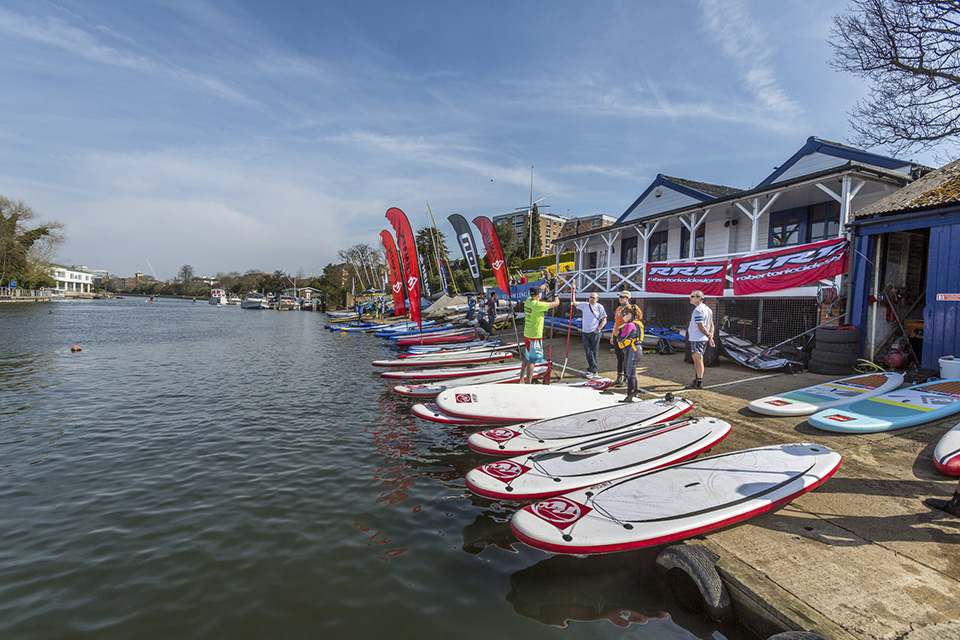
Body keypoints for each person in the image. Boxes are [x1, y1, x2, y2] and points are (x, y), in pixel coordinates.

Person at [521, 284, 560, 383]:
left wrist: (544, 286)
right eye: (540, 293)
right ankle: (529, 383)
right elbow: (556, 303)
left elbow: (536, 295)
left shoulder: (528, 301)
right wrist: (556, 295)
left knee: (527, 357)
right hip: (535, 335)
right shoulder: (538, 306)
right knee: (532, 361)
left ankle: (521, 379)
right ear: (538, 295)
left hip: (527, 333)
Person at [572, 291, 607, 378]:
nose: (591, 299)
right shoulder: (584, 305)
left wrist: (598, 328)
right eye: (590, 297)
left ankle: (592, 370)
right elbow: (574, 302)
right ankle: (593, 370)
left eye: (593, 298)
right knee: (588, 351)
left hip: (594, 332)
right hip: (585, 332)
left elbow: (604, 319)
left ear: (597, 299)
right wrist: (573, 291)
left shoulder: (600, 307)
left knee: (594, 352)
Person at [686, 290, 715, 389]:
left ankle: (698, 382)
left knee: (698, 360)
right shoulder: (708, 309)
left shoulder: (698, 310)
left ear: (699, 298)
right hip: (700, 338)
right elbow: (711, 325)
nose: (690, 298)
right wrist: (710, 337)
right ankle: (697, 379)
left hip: (697, 338)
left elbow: (701, 326)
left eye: (693, 296)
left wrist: (709, 335)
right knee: (698, 360)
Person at [615, 304, 644, 402]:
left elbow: (620, 338)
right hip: (636, 350)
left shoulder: (630, 325)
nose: (622, 318)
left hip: (633, 351)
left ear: (629, 315)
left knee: (630, 374)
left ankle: (630, 396)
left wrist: (619, 329)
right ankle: (635, 393)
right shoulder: (637, 323)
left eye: (624, 315)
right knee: (632, 374)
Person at [609, 290, 633, 387]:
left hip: (624, 336)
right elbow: (616, 322)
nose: (620, 298)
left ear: (627, 298)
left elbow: (630, 323)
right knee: (619, 358)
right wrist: (612, 335)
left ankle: (626, 378)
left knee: (625, 358)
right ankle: (619, 377)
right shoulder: (618, 308)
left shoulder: (629, 308)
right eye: (620, 296)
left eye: (623, 297)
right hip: (616, 335)